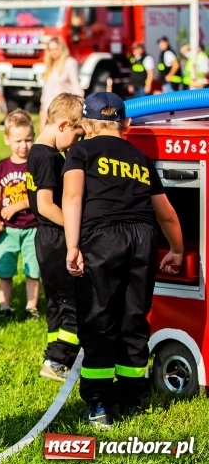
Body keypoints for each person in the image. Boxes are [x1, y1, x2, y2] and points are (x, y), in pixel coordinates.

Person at [62, 92, 183, 428]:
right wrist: (175, 249)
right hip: (143, 238)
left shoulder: (81, 151)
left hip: (102, 237)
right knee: (134, 317)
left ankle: (100, 404)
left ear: (85, 125)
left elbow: (72, 196)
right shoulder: (141, 158)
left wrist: (72, 245)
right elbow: (167, 214)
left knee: (98, 319)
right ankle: (133, 397)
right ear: (127, 124)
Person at [26, 93, 85, 382]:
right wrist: (75, 228)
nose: (76, 143)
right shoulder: (49, 158)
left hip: (45, 238)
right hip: (56, 236)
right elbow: (46, 205)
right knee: (74, 300)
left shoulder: (37, 152)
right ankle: (58, 360)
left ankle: (54, 352)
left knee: (56, 301)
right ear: (62, 125)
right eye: (76, 135)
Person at [0, 110, 40, 321]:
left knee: (33, 270)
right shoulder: (3, 166)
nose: (24, 145)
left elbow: (39, 195)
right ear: (7, 139)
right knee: (5, 269)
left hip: (32, 226)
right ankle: (4, 306)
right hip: (7, 229)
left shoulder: (36, 164)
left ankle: (31, 307)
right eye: (18, 140)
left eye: (28, 140)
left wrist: (17, 206)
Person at [40, 37, 83, 128]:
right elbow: (46, 90)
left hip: (63, 109)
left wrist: (78, 108)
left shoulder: (70, 63)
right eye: (50, 50)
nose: (53, 52)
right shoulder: (49, 65)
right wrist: (42, 109)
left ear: (62, 48)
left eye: (55, 49)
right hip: (48, 108)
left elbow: (76, 87)